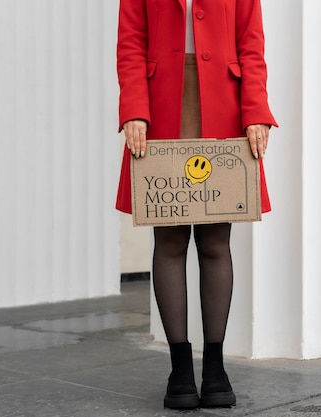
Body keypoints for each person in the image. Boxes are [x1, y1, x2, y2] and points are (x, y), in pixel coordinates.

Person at [115, 0, 277, 410]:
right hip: (162, 104)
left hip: (222, 104)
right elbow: (131, 43)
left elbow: (251, 45)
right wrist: (134, 108)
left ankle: (216, 368)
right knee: (169, 239)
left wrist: (255, 110)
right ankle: (180, 370)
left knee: (215, 241)